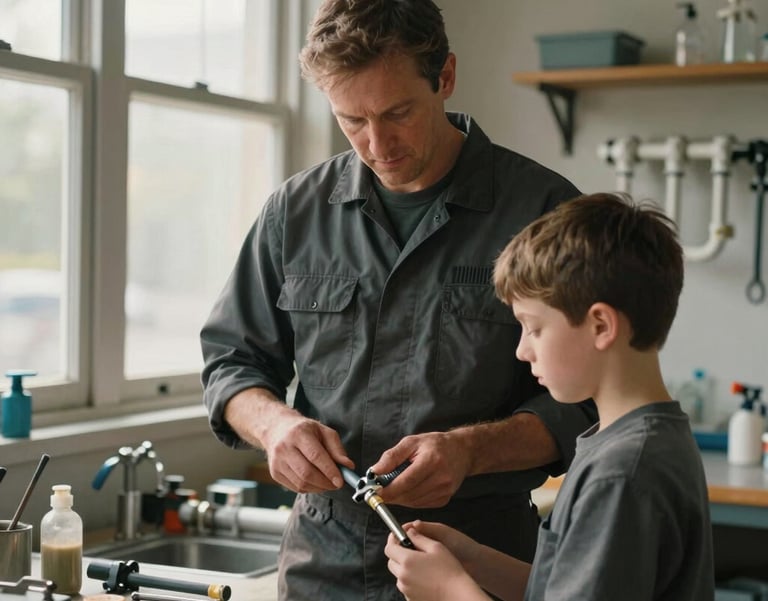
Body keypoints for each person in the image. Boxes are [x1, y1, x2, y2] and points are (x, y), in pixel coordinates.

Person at [200, 1, 595, 599]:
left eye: (397, 113)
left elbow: (591, 401)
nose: (377, 144)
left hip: (480, 557)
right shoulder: (294, 213)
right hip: (321, 563)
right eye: (351, 120)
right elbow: (231, 364)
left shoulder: (545, 211)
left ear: (446, 78)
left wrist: (469, 451)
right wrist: (276, 425)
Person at [384, 192, 715, 601]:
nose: (522, 350)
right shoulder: (633, 440)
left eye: (533, 328)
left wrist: (450, 591)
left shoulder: (622, 473)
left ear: (600, 326)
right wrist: (473, 560)